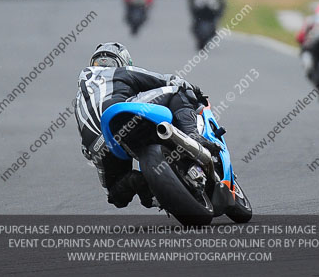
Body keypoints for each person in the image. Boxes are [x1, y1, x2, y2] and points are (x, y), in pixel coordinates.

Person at [74, 42, 221, 209]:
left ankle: (143, 187)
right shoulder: (122, 72)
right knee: (176, 91)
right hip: (123, 116)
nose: (104, 67)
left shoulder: (80, 97)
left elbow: (83, 138)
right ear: (123, 61)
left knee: (117, 195)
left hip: (98, 142)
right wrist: (194, 91)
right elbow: (168, 80)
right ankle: (194, 136)